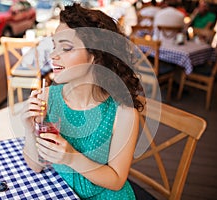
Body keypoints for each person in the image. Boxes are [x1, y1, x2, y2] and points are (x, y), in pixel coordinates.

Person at [21, 3, 144, 199]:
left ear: (94, 56)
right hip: (62, 191)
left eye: (66, 48)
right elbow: (36, 166)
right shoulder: (49, 97)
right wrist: (29, 129)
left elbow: (117, 180)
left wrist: (70, 157)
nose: (53, 55)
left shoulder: (123, 113)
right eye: (54, 47)